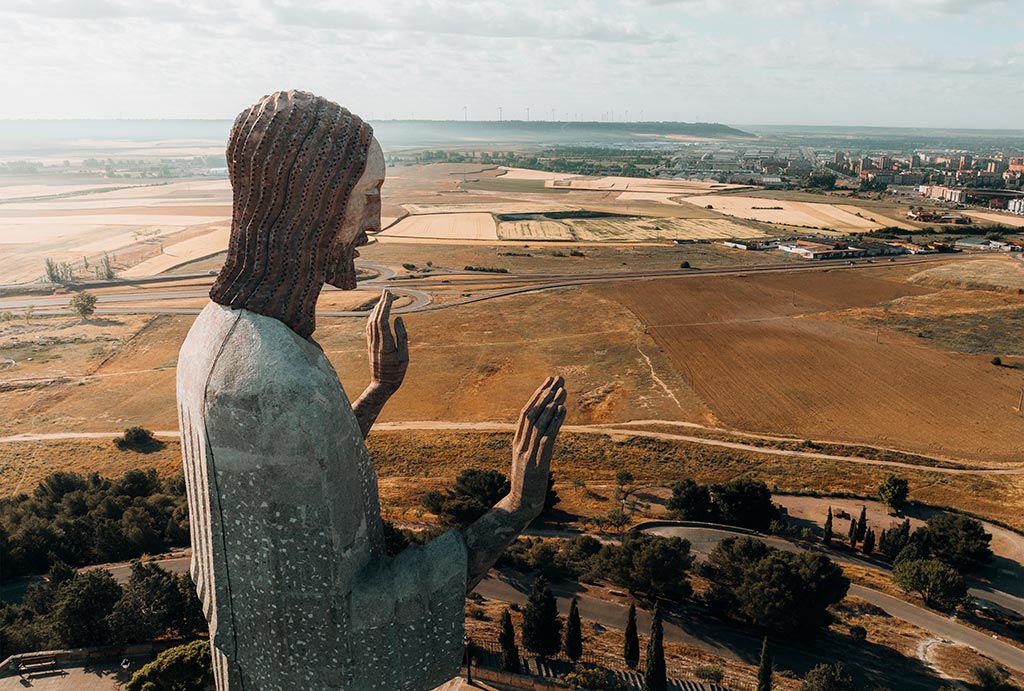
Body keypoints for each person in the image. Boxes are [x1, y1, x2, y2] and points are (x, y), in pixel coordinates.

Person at [177, 90, 566, 691]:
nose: (377, 223)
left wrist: (379, 391)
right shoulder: (275, 381)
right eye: (367, 197)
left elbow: (297, 483)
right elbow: (340, 623)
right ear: (308, 203)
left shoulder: (218, 337)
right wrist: (515, 509)